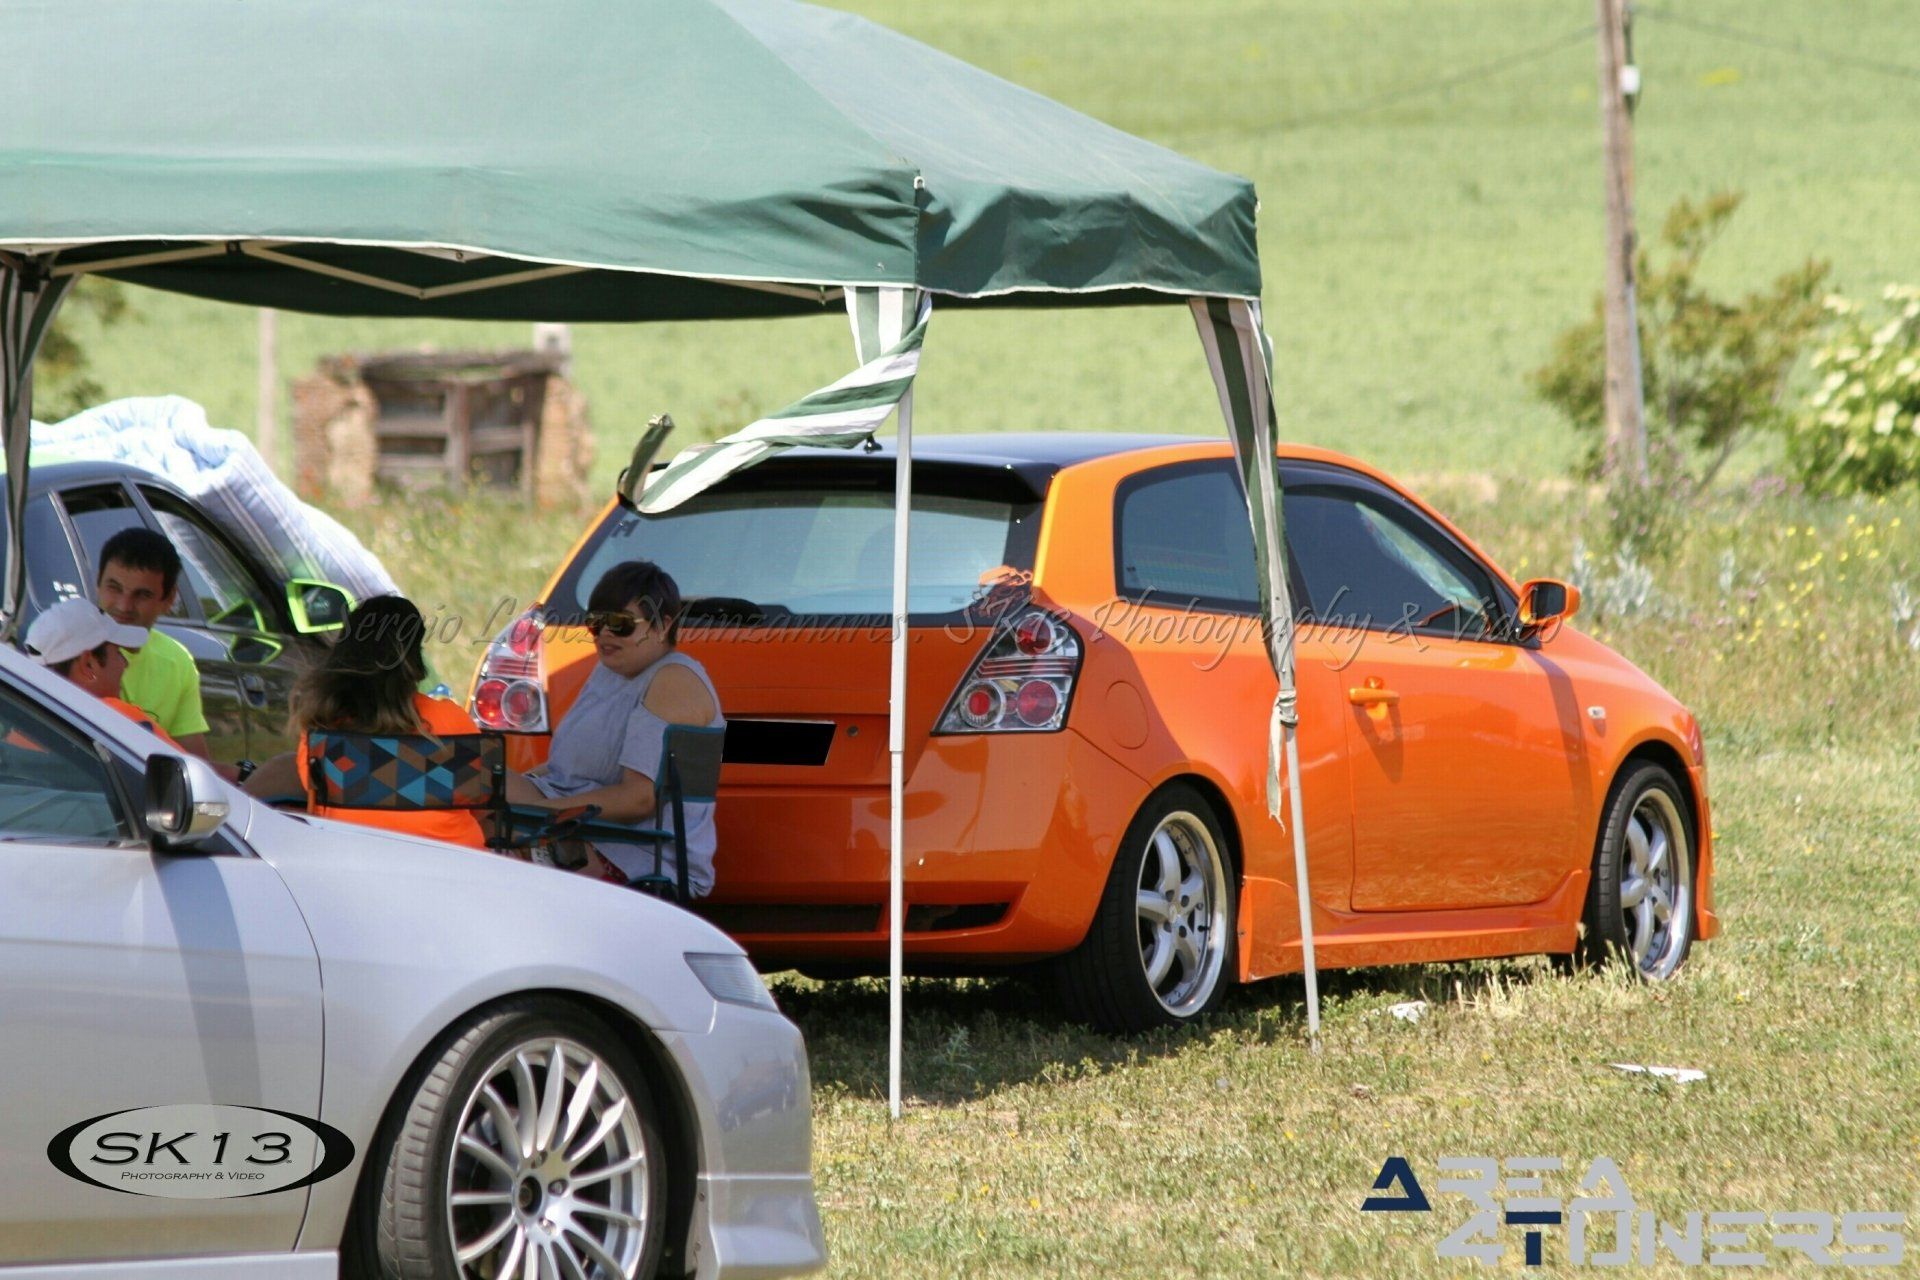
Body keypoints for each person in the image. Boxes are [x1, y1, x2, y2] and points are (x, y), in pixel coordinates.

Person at [507, 561, 725, 896]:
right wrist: (512, 787)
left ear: (663, 626)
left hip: (640, 853)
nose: (605, 634)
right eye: (596, 623)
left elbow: (639, 800)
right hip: (583, 824)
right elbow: (568, 768)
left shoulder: (673, 680)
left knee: (490, 829)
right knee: (471, 783)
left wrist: (534, 814)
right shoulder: (611, 671)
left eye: (620, 624)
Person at [247, 596, 487, 850]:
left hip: (352, 858)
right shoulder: (451, 718)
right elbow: (479, 799)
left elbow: (313, 790)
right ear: (413, 655)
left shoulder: (323, 725)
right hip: (452, 859)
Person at [24, 598, 241, 778]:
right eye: (118, 652)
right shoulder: (115, 718)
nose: (125, 663)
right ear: (88, 664)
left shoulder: (19, 718)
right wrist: (245, 773)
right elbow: (193, 779)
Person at [95, 528, 213, 758]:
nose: (124, 606)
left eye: (142, 595)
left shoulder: (177, 660)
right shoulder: (66, 647)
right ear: (98, 582)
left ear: (169, 599)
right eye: (114, 588)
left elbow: (194, 762)